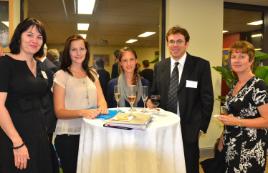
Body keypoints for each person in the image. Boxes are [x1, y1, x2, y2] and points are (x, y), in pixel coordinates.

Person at [148, 26, 214, 173]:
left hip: (189, 126)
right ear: (167, 43)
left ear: (187, 43)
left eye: (179, 41)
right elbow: (155, 93)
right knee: (165, 163)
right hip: (164, 125)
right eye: (171, 41)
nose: (175, 45)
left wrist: (201, 126)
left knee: (189, 164)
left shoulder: (201, 65)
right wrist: (150, 101)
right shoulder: (160, 66)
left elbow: (207, 97)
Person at [0, 18, 53, 173]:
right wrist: (17, 143)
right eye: (29, 35)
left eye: (39, 37)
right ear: (19, 36)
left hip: (39, 134)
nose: (34, 40)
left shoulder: (41, 67)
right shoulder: (5, 64)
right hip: (14, 135)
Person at [53, 34, 108, 173]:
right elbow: (59, 111)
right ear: (68, 52)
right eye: (74, 49)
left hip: (92, 133)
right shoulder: (61, 75)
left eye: (82, 49)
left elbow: (101, 99)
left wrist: (102, 106)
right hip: (68, 137)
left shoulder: (93, 73)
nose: (78, 53)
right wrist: (83, 112)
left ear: (86, 51)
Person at [218, 41, 268, 173]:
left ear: (251, 61)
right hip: (232, 146)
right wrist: (223, 136)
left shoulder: (258, 86)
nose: (237, 60)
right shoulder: (235, 85)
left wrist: (237, 121)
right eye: (234, 57)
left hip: (250, 150)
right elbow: (232, 115)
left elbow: (267, 120)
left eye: (242, 57)